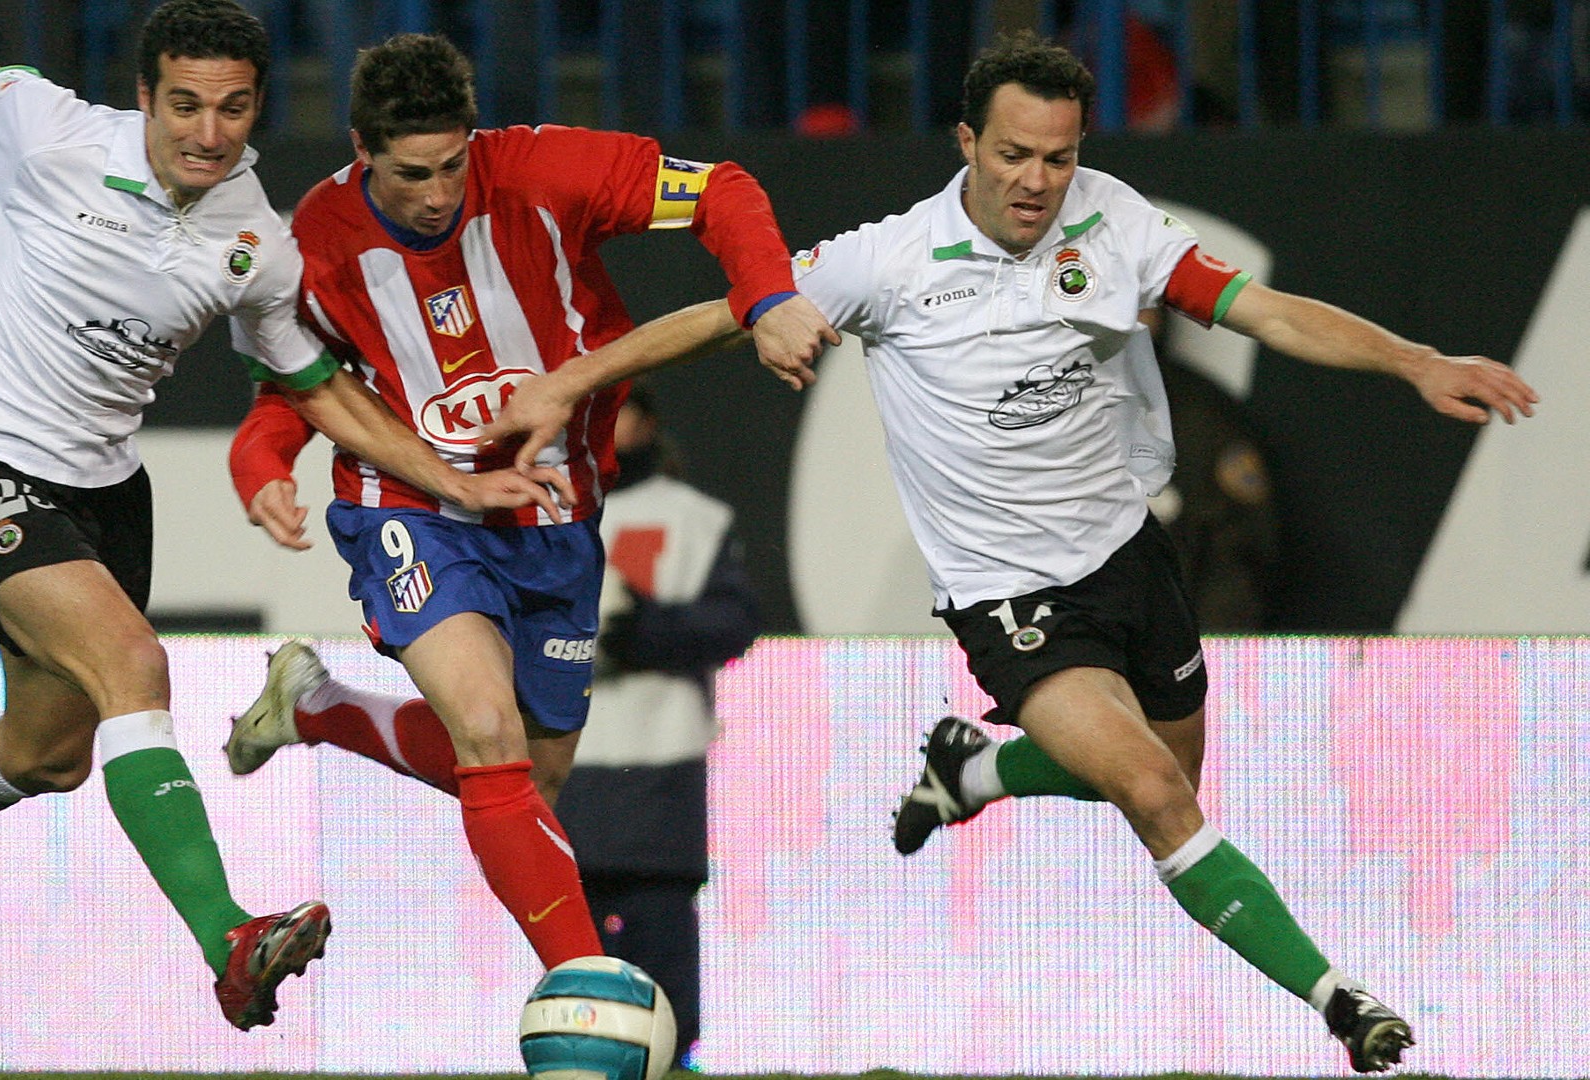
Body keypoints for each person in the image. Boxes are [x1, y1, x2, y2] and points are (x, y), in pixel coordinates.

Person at [479, 31, 1539, 1075]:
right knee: (1158, 798)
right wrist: (574, 382)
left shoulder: (1117, 222)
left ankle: (972, 766)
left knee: (1166, 771)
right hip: (1007, 597)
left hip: (1131, 556)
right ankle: (1342, 1001)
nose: (1038, 182)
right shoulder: (887, 259)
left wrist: (1414, 360)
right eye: (1014, 155)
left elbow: (1261, 311)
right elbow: (718, 315)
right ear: (966, 144)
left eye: (1060, 157)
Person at [0, 0, 567, 1032]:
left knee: (47, 752)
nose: (207, 131)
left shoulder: (258, 244)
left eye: (232, 109)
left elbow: (314, 383)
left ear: (256, 108)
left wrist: (454, 482)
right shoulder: (53, 134)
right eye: (184, 104)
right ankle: (230, 940)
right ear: (144, 96)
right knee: (135, 671)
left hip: (105, 492)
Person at [223, 31, 834, 975]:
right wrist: (260, 463)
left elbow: (721, 187)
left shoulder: (548, 170)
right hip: (409, 504)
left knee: (526, 775)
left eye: (453, 165)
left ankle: (321, 711)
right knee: (489, 729)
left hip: (555, 513)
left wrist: (764, 295)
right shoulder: (310, 241)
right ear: (360, 150)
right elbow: (294, 389)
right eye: (410, 173)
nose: (436, 194)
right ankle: (588, 990)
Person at [556, 384, 761, 1063]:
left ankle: (669, 1053)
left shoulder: (694, 517)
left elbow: (733, 623)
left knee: (660, 914)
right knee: (569, 919)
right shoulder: (545, 514)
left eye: (616, 419)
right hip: (567, 748)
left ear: (646, 423)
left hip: (661, 744)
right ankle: (577, 1051)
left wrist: (642, 630)